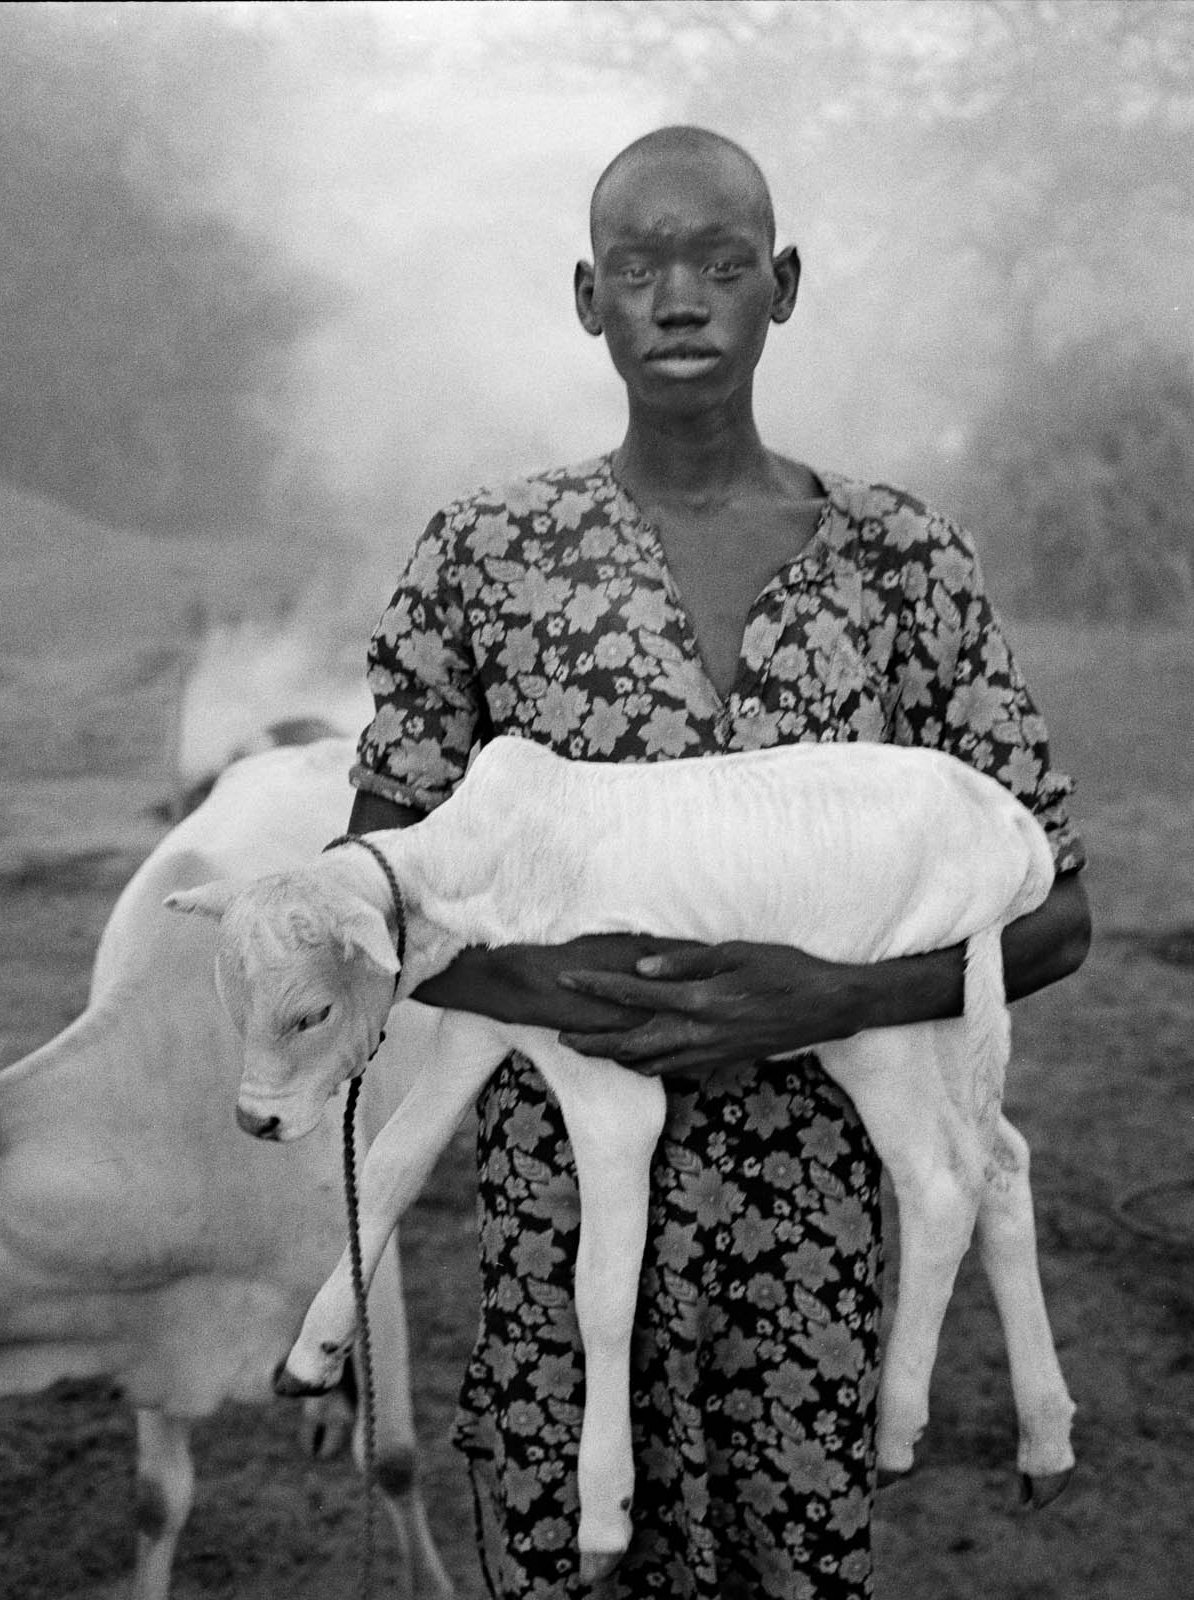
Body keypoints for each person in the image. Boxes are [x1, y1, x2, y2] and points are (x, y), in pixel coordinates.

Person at [345, 125, 1091, 1600]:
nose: (678, 299)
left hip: (811, 1248)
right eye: (637, 267)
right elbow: (371, 876)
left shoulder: (903, 563)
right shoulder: (484, 555)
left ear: (784, 287)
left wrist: (824, 1000)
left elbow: (1057, 913)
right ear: (586, 298)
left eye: (722, 263)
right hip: (559, 1228)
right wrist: (548, 981)